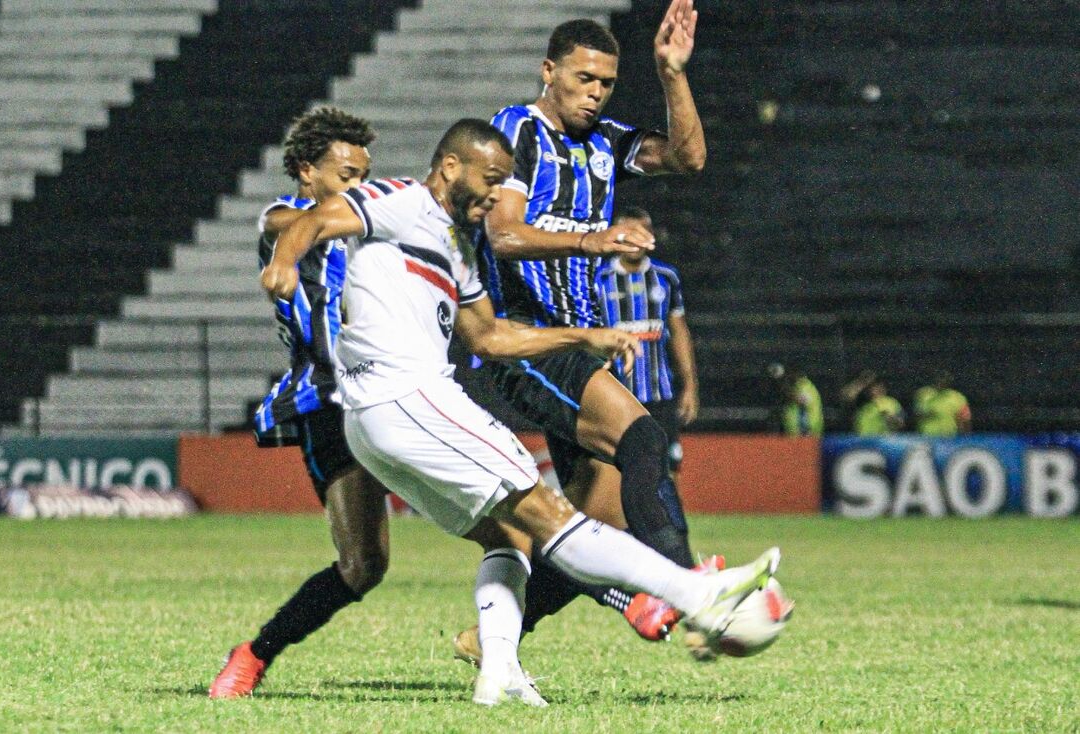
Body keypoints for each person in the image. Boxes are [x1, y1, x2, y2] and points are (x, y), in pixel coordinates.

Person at [261, 117, 782, 705]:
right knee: (551, 515)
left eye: (505, 182)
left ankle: (499, 668)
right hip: (408, 397)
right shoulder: (401, 199)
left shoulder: (458, 250)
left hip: (374, 420)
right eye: (489, 179)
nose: (495, 194)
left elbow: (490, 338)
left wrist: (581, 338)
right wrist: (284, 261)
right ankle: (697, 594)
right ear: (451, 167)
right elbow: (317, 217)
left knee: (512, 535)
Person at [473, 4, 709, 648]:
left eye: (605, 82)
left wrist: (671, 74)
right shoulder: (516, 129)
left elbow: (687, 159)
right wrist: (593, 239)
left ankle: (488, 636)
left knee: (592, 518)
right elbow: (503, 234)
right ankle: (691, 588)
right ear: (549, 72)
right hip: (523, 338)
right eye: (583, 79)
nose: (595, 93)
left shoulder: (605, 141)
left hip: (581, 340)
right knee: (642, 441)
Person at [210, 108, 392, 699]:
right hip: (328, 401)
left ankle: (502, 637)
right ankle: (254, 654)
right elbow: (289, 224)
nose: (359, 189)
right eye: (346, 175)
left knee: (496, 512)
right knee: (364, 566)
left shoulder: (369, 223)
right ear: (307, 171)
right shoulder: (285, 220)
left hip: (397, 393)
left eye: (366, 176)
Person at [593, 206, 699, 480]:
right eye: (629, 233)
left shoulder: (666, 277)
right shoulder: (599, 279)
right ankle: (620, 524)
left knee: (668, 466)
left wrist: (689, 385)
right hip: (614, 394)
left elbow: (679, 333)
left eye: (642, 233)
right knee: (615, 468)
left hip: (659, 394)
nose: (636, 240)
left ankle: (667, 523)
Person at [769, 362, 824, 436]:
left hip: (805, 428)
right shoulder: (797, 386)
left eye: (789, 373)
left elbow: (803, 400)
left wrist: (787, 392)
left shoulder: (803, 385)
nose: (788, 376)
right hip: (797, 430)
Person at [914, 371, 972, 436]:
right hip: (927, 437)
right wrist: (926, 414)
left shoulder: (958, 397)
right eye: (940, 378)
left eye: (945, 379)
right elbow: (917, 415)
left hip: (950, 438)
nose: (941, 381)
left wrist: (966, 437)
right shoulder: (923, 394)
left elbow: (965, 420)